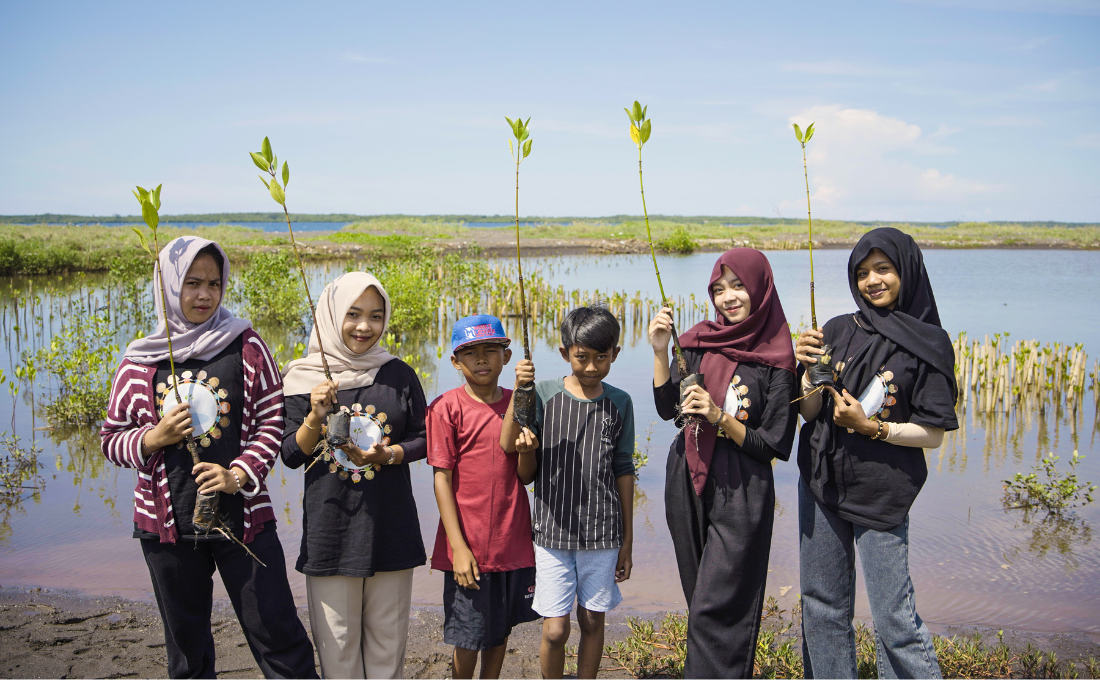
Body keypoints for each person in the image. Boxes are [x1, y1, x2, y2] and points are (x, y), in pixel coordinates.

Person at [100, 236, 317, 679]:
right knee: (187, 646)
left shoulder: (246, 346)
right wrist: (152, 438)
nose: (204, 295)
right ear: (166, 289)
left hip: (244, 519)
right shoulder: (139, 361)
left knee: (276, 630)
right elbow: (111, 439)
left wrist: (239, 473)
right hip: (166, 527)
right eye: (191, 283)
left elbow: (271, 422)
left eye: (214, 283)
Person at [795, 227, 958, 678]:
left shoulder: (928, 343)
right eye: (863, 272)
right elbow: (810, 413)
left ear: (906, 271)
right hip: (822, 483)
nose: (872, 281)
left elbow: (932, 434)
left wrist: (873, 428)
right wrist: (809, 374)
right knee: (822, 605)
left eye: (883, 269)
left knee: (894, 618)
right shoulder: (837, 329)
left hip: (884, 491)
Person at [649, 248, 798, 678]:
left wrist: (719, 417)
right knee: (700, 603)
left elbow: (774, 443)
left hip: (742, 487)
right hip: (687, 475)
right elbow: (667, 409)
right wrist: (661, 351)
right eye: (719, 289)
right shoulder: (698, 340)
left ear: (761, 289)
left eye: (738, 286)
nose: (728, 297)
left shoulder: (779, 357)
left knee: (719, 608)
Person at [280, 271, 427, 680]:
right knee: (337, 649)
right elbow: (291, 454)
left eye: (376, 316)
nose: (365, 327)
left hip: (390, 524)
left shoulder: (398, 373)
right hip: (332, 529)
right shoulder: (303, 379)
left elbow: (425, 437)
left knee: (387, 646)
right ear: (331, 315)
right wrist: (315, 415)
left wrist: (390, 454)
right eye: (354, 314)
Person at [500, 305, 635, 680]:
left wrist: (627, 540)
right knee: (555, 628)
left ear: (615, 355)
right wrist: (518, 390)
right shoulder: (543, 394)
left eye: (601, 358)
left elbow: (623, 470)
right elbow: (516, 457)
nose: (591, 367)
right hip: (552, 534)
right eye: (582, 358)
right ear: (564, 354)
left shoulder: (619, 403)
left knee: (592, 619)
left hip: (603, 534)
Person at [427, 314, 540, 679]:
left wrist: (527, 450)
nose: (481, 359)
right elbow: (441, 479)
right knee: (468, 634)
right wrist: (457, 547)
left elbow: (525, 477)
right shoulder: (446, 408)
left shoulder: (519, 401)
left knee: (500, 628)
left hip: (511, 539)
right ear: (455, 362)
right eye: (471, 352)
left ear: (506, 357)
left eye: (491, 350)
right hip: (468, 544)